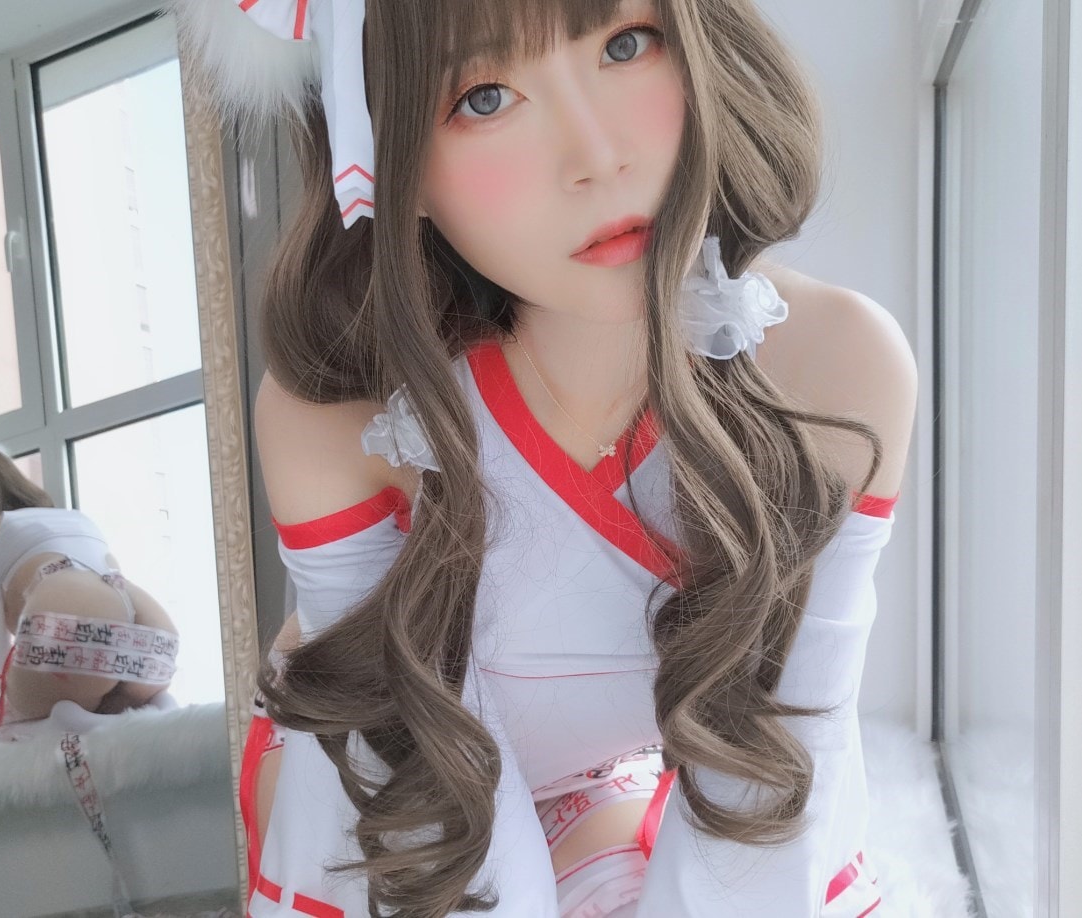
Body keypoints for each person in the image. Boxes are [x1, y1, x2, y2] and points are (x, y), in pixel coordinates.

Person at [178, 0, 917, 914]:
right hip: (376, 773)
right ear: (385, 158)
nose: (596, 156)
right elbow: (409, 798)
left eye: (624, 44)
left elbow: (782, 769)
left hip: (601, 774)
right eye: (484, 98)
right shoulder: (344, 413)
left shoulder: (831, 364)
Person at [0, 445, 181, 742]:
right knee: (116, 705)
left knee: (5, 722)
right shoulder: (76, 519)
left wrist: (2, 703)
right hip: (156, 638)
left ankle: (68, 719)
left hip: (70, 634)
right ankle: (148, 705)